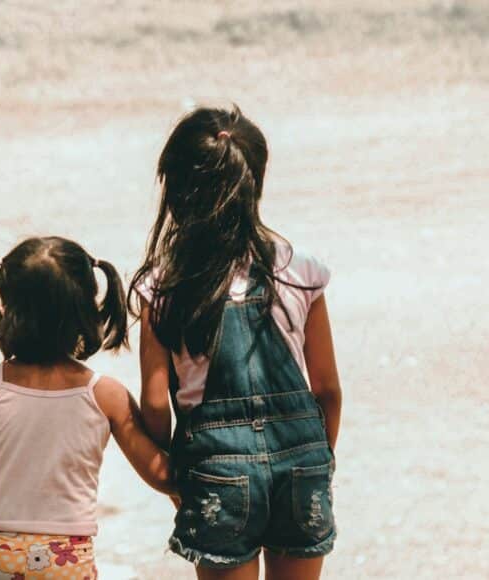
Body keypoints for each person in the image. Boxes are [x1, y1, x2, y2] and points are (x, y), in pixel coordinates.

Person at [131, 106, 343, 579]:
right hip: (302, 461)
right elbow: (327, 389)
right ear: (256, 181)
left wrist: (174, 478)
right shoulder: (300, 270)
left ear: (177, 189)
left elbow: (153, 403)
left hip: (216, 471)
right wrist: (318, 459)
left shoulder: (165, 286)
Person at [0, 236, 174, 579]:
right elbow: (161, 474)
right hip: (65, 559)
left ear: (7, 306)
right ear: (85, 309)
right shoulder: (105, 395)